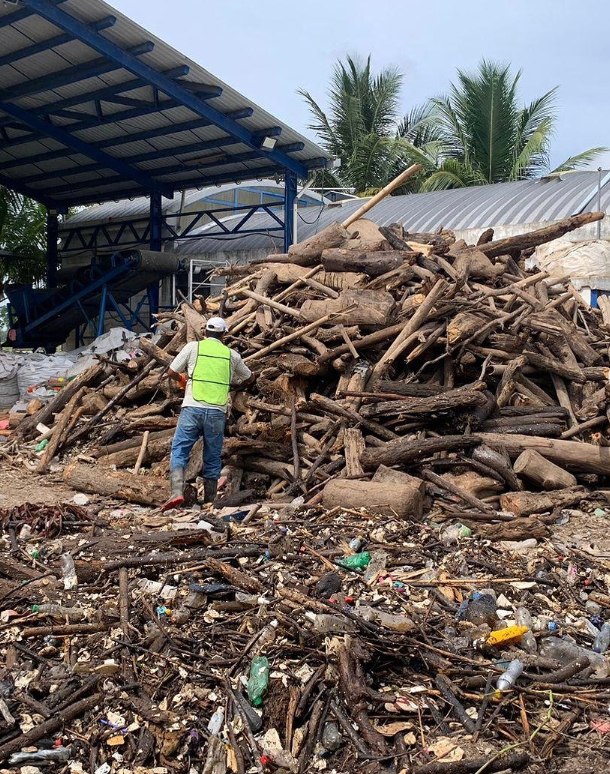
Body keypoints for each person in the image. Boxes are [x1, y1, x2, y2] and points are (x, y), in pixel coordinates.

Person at [163, 316, 253, 510]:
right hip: (217, 411)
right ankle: (210, 501)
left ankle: (177, 492)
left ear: (205, 332)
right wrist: (233, 385)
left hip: (192, 408)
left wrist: (183, 379)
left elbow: (170, 372)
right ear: (224, 335)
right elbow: (249, 377)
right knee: (212, 456)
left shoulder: (193, 348)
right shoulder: (232, 355)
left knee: (179, 449)